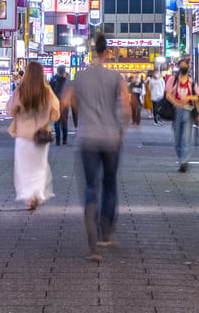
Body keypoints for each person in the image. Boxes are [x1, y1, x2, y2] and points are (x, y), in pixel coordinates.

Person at [63, 32, 131, 260]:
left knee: (91, 185)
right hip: (111, 137)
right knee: (110, 182)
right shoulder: (116, 77)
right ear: (107, 52)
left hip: (87, 137)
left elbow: (65, 101)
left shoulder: (80, 77)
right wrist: (123, 129)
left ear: (93, 51)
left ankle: (91, 211)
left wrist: (79, 110)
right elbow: (126, 103)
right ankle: (106, 230)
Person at [7, 61, 61, 210]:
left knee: (24, 168)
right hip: (40, 136)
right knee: (39, 167)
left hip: (23, 135)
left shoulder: (20, 90)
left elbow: (10, 109)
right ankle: (36, 193)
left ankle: (29, 195)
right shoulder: (47, 91)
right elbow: (56, 113)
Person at [165, 58, 199, 171]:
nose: (183, 68)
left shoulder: (192, 82)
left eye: (185, 66)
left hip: (188, 111)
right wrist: (176, 103)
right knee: (177, 138)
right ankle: (181, 158)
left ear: (188, 68)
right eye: (181, 66)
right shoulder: (173, 80)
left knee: (186, 137)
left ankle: (184, 162)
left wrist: (188, 98)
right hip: (176, 111)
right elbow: (168, 94)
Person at [49, 66, 72, 144]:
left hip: (56, 103)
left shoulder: (53, 79)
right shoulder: (67, 80)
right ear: (64, 71)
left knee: (56, 121)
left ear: (57, 71)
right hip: (65, 103)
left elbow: (50, 91)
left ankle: (58, 139)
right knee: (64, 121)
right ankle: (64, 139)